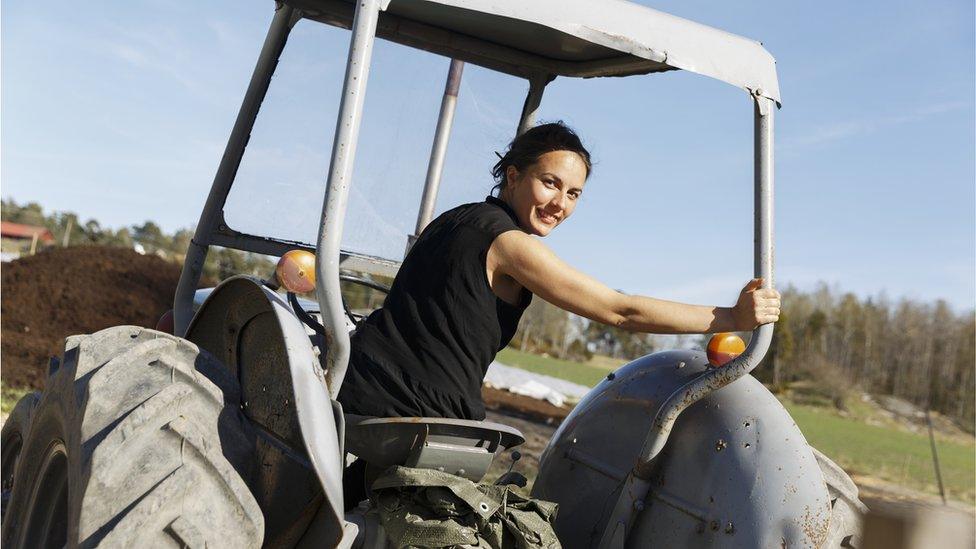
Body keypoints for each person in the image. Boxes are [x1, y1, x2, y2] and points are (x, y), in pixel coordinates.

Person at [336, 121, 780, 421]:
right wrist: (732, 317)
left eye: (574, 194)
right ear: (513, 176)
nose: (560, 205)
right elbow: (620, 311)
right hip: (414, 409)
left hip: (359, 379)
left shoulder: (456, 217)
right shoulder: (509, 244)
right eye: (550, 183)